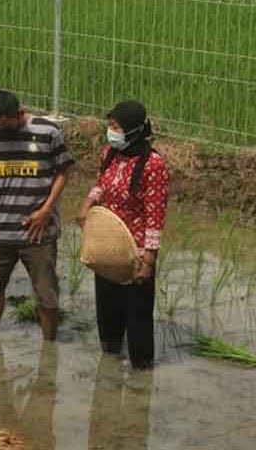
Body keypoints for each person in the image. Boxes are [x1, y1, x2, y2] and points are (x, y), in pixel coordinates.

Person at [0, 91, 73, 340]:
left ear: (18, 114)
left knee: (46, 296)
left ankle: (49, 351)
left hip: (38, 232)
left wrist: (46, 209)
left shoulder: (47, 132)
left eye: (6, 126)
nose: (1, 132)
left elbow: (63, 172)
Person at [76, 100, 169, 369]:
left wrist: (149, 259)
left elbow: (155, 215)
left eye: (115, 127)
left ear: (133, 130)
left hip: (136, 251)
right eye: (110, 126)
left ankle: (141, 373)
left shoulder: (153, 165)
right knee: (107, 309)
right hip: (107, 245)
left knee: (138, 315)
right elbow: (101, 185)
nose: (110, 131)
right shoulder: (109, 154)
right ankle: (109, 367)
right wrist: (87, 204)